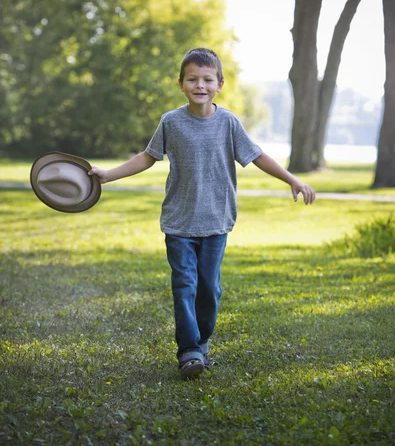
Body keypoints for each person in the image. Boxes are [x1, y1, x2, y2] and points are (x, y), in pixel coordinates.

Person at [89, 48, 316, 379]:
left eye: (207, 79)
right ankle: (189, 351)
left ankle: (202, 341)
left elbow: (257, 156)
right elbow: (147, 157)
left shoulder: (228, 123)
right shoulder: (171, 122)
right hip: (178, 223)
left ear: (220, 84)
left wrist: (291, 179)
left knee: (209, 288)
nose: (200, 85)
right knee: (184, 285)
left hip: (216, 222)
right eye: (192, 79)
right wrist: (108, 175)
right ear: (181, 84)